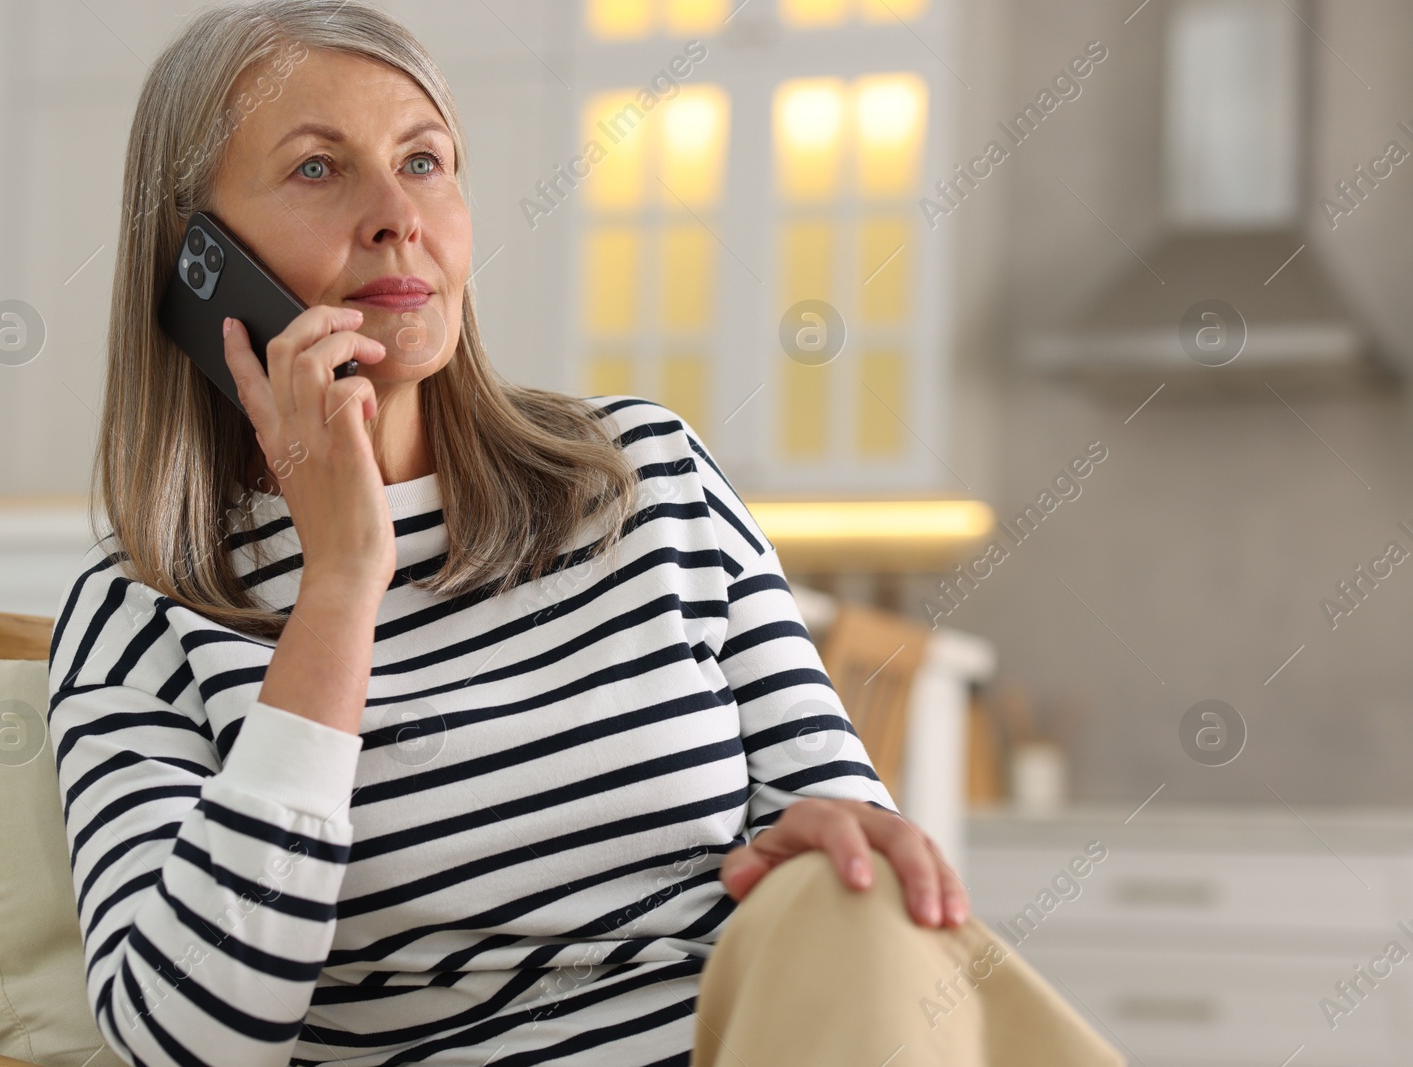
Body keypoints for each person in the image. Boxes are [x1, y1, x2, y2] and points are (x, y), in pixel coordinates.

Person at [47, 3, 971, 1064]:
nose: (398, 214)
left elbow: (838, 825)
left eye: (424, 161)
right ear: (194, 259)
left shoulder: (643, 475)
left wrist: (837, 852)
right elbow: (189, 1042)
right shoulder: (140, 620)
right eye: (317, 169)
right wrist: (342, 583)